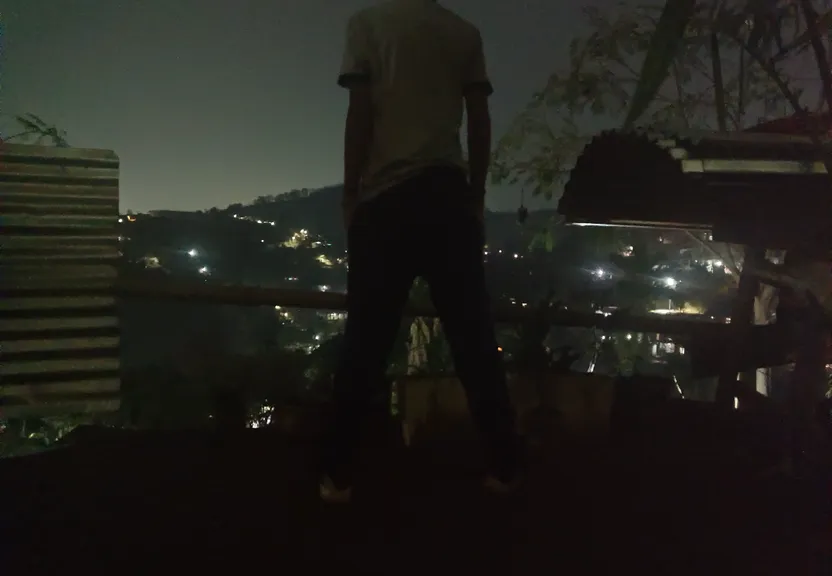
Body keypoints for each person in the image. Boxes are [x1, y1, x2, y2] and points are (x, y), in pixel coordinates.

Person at [321, 0, 520, 503]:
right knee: (473, 338)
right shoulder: (462, 32)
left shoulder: (367, 25)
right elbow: (479, 117)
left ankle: (339, 473)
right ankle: (505, 464)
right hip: (448, 198)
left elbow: (360, 111)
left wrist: (351, 193)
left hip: (385, 201)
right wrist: (476, 195)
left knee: (366, 340)